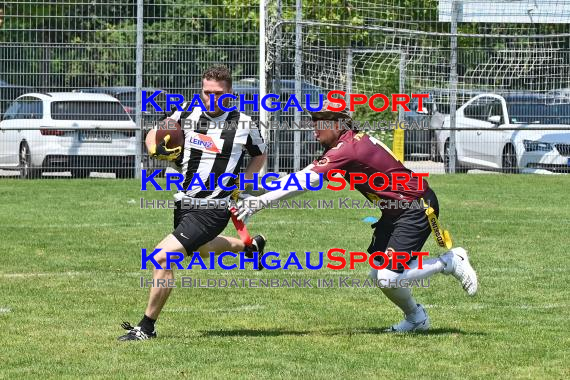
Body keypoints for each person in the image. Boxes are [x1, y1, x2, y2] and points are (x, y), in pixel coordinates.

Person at [235, 101, 478, 332]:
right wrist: (260, 194)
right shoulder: (345, 144)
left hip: (415, 208)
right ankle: (416, 318)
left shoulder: (346, 149)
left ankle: (449, 262)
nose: (314, 128)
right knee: (378, 272)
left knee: (388, 277)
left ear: (339, 124)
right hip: (396, 211)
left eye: (320, 121)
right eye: (313, 120)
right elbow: (304, 174)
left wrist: (261, 202)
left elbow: (306, 182)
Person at [119, 65, 268, 341]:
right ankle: (250, 246)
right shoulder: (186, 112)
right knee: (201, 250)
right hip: (184, 203)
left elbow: (259, 156)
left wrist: (244, 181)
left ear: (230, 93)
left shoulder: (244, 124)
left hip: (213, 209)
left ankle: (146, 327)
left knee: (162, 256)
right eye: (206, 92)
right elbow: (156, 131)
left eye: (218, 93)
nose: (211, 98)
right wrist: (154, 146)